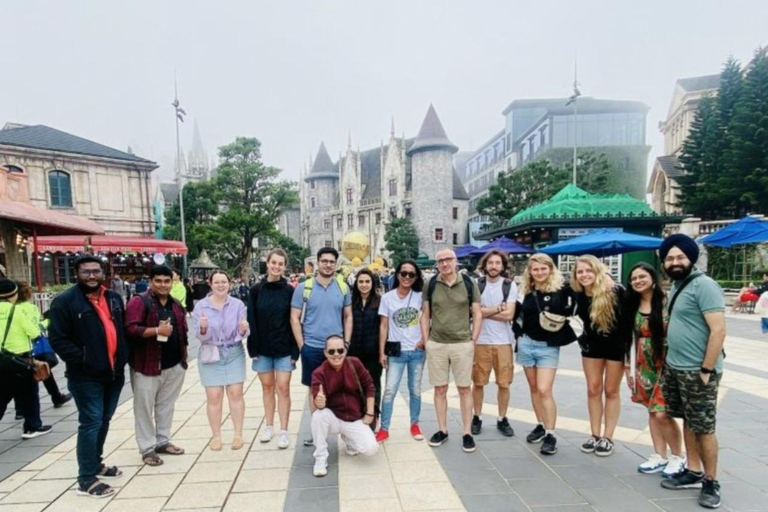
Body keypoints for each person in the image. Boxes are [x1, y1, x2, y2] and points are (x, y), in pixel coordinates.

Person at [48, 256, 129, 498]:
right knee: (91, 421)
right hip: (85, 376)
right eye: (86, 272)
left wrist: (123, 356)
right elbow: (58, 340)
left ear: (103, 272)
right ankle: (85, 478)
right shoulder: (64, 302)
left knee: (104, 419)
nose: (92, 276)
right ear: (77, 274)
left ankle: (95, 463)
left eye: (96, 271)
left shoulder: (113, 298)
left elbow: (120, 330)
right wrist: (86, 359)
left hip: (113, 372)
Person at [657, 234, 725, 509]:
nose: (674, 262)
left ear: (690, 258)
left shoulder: (705, 286)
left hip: (699, 371)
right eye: (670, 258)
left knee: (704, 428)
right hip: (676, 368)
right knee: (687, 420)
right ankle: (693, 469)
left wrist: (706, 369)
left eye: (680, 257)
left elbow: (718, 330)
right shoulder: (677, 285)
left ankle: (710, 481)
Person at [624, 263, 685, 476]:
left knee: (661, 413)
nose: (638, 281)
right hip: (643, 362)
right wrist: (628, 366)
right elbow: (628, 337)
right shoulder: (632, 304)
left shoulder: (668, 301)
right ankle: (659, 455)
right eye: (634, 278)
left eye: (642, 276)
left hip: (668, 362)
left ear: (653, 277)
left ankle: (679, 457)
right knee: (651, 410)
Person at [420, 248, 482, 453]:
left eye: (448, 260)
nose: (445, 264)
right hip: (437, 343)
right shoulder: (430, 284)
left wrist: (473, 340)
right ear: (436, 264)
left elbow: (477, 313)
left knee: (464, 388)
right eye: (440, 261)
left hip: (462, 343)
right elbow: (425, 314)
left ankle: (466, 432)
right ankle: (442, 429)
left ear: (456, 262)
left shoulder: (468, 283)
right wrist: (427, 340)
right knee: (440, 389)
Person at [125, 265, 188, 466]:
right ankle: (147, 448)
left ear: (172, 282)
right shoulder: (139, 301)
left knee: (166, 406)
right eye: (158, 281)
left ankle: (162, 441)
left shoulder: (176, 304)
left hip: (174, 364)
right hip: (147, 365)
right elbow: (130, 328)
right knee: (143, 407)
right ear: (151, 281)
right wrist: (155, 330)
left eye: (166, 281)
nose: (163, 285)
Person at [290, 247, 352, 447]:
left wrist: (346, 342)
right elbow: (294, 317)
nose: (328, 264)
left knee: (342, 388)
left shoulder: (342, 287)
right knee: (315, 390)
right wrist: (302, 346)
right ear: (317, 263)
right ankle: (318, 434)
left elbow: (348, 316)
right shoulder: (304, 288)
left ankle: (346, 432)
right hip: (313, 347)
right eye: (324, 261)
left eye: (332, 261)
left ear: (336, 264)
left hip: (337, 349)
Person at [518, 253, 576, 456]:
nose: (540, 272)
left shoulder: (562, 290)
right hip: (526, 343)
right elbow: (518, 315)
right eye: (535, 269)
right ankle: (540, 424)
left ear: (550, 269)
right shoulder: (525, 290)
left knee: (544, 389)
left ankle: (551, 433)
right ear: (530, 272)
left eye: (544, 268)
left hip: (548, 346)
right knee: (534, 388)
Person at [571, 255, 625, 457]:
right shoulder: (578, 293)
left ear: (597, 271)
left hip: (616, 347)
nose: (584, 275)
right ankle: (594, 434)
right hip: (591, 347)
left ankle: (608, 437)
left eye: (588, 270)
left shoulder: (615, 291)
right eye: (580, 271)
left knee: (611, 391)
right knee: (593, 389)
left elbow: (628, 321)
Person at [193, 270, 249, 451]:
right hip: (211, 353)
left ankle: (238, 434)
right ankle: (216, 435)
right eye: (216, 282)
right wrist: (203, 328)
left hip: (233, 352)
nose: (220, 285)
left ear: (229, 283)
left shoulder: (238, 304)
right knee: (214, 396)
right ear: (210, 283)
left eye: (224, 282)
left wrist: (242, 329)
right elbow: (200, 337)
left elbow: (242, 333)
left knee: (235, 393)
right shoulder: (201, 306)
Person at [248, 249, 298, 449]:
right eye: (273, 262)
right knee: (267, 387)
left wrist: (296, 351)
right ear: (267, 263)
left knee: (283, 388)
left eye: (280, 264)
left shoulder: (290, 291)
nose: (276, 266)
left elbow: (295, 321)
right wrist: (253, 349)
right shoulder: (255, 290)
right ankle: (269, 425)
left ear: (285, 267)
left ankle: (284, 430)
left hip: (284, 347)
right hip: (262, 348)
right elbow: (251, 319)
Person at [310, 335, 378, 477]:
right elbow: (317, 397)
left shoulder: (355, 363)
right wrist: (319, 402)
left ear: (345, 351)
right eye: (332, 351)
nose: (336, 355)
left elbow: (369, 386)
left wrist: (370, 413)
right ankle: (320, 457)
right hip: (333, 417)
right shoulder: (318, 373)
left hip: (355, 417)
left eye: (340, 350)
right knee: (318, 416)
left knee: (371, 449)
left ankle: (348, 439)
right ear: (325, 353)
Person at [377, 260, 425, 443]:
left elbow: (427, 320)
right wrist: (381, 352)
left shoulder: (420, 297)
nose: (406, 277)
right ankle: (384, 428)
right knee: (390, 390)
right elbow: (383, 326)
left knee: (416, 390)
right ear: (397, 275)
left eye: (411, 274)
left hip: (416, 351)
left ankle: (414, 423)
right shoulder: (387, 298)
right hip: (396, 352)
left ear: (416, 278)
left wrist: (424, 341)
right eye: (403, 273)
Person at [470, 250, 518, 438]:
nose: (494, 266)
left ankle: (502, 418)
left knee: (504, 383)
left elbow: (510, 315)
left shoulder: (509, 285)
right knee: (478, 382)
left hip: (504, 341)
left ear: (503, 265)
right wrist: (498, 308)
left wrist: (484, 311)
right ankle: (477, 416)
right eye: (490, 263)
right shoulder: (476, 284)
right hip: (480, 340)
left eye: (498, 263)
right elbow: (473, 312)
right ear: (485, 265)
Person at [0, 279, 51, 439]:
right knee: (29, 393)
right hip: (20, 360)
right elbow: (34, 332)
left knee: (2, 396)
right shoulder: (16, 311)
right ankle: (32, 426)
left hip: (2, 360)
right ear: (14, 295)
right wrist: (46, 322)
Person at [16, 282, 72, 408]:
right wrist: (47, 320)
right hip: (33, 345)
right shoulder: (31, 308)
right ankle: (55, 397)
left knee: (19, 375)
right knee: (43, 370)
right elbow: (37, 328)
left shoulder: (11, 309)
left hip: (15, 347)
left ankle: (19, 408)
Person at [348, 269, 383, 430]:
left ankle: (373, 417)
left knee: (373, 385)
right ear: (356, 283)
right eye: (361, 281)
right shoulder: (350, 301)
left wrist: (383, 351)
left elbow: (384, 327)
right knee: (354, 386)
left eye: (367, 282)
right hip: (353, 353)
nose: (364, 285)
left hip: (373, 353)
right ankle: (356, 417)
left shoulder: (379, 301)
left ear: (372, 283)